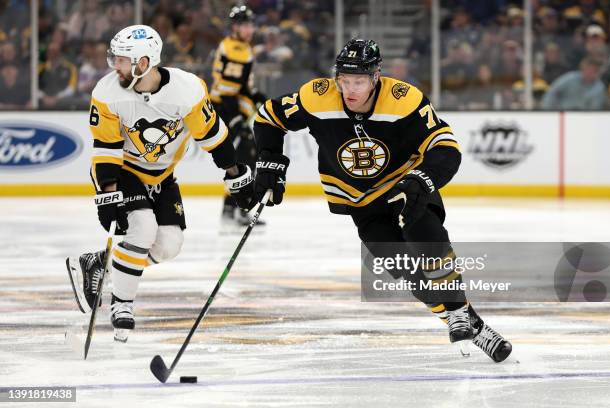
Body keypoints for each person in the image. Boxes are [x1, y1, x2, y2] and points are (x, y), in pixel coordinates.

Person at [251, 38, 513, 362]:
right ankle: (470, 324)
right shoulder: (316, 96)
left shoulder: (403, 100)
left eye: (358, 81)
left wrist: (422, 179)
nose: (349, 89)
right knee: (407, 271)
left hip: (405, 189)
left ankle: (457, 308)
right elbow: (268, 117)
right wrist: (269, 163)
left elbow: (446, 147)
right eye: (344, 80)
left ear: (376, 76)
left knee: (425, 236)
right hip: (361, 203)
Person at [65, 25, 253, 342]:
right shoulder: (108, 92)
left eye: (122, 60)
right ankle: (121, 305)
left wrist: (235, 174)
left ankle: (100, 264)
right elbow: (106, 149)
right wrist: (108, 194)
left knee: (168, 245)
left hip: (163, 176)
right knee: (142, 229)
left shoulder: (188, 90)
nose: (115, 66)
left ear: (143, 62)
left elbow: (213, 137)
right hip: (123, 169)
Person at [210, 5, 267, 226]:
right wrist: (235, 118)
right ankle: (238, 207)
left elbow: (241, 86)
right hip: (224, 108)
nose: (249, 28)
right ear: (235, 27)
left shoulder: (242, 47)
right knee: (245, 156)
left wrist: (256, 96)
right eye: (245, 24)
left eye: (251, 24)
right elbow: (228, 90)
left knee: (244, 156)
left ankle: (230, 207)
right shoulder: (234, 49)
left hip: (230, 106)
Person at [541, 57, 606, 110]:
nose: (589, 73)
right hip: (562, 115)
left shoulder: (599, 88)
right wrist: (548, 111)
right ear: (582, 69)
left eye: (593, 71)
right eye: (588, 69)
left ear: (597, 73)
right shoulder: (570, 78)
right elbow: (552, 92)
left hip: (584, 119)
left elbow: (595, 109)